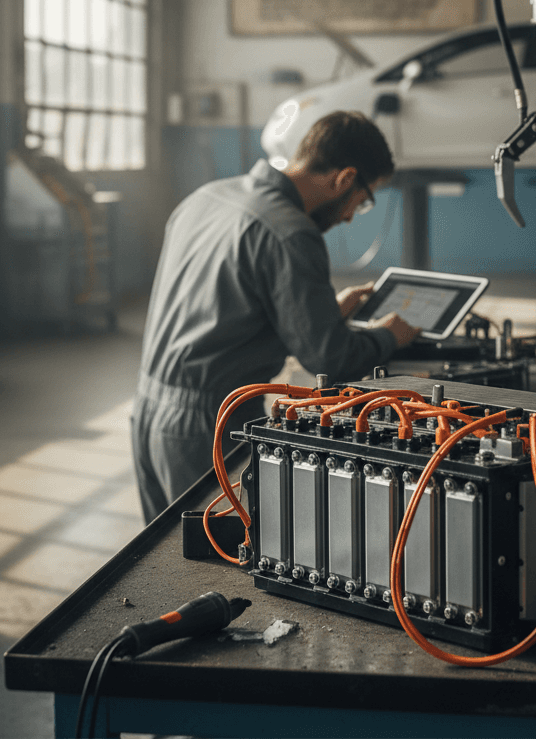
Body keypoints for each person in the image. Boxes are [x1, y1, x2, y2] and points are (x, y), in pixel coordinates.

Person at [131, 110, 421, 522]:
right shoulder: (291, 231)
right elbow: (331, 360)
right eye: (361, 200)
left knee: (164, 561)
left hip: (147, 409)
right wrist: (389, 336)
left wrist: (320, 313)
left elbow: (223, 309)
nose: (350, 216)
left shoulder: (208, 196)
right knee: (223, 560)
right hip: (209, 425)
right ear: (344, 179)